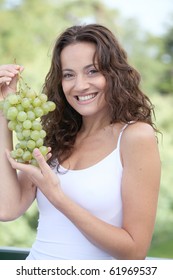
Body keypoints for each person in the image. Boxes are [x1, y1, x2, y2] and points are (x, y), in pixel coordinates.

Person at [0, 24, 161, 260]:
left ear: (114, 73)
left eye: (92, 71)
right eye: (69, 74)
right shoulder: (56, 136)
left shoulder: (135, 137)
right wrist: (4, 110)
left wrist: (58, 198)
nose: (80, 85)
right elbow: (7, 208)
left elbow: (135, 252)